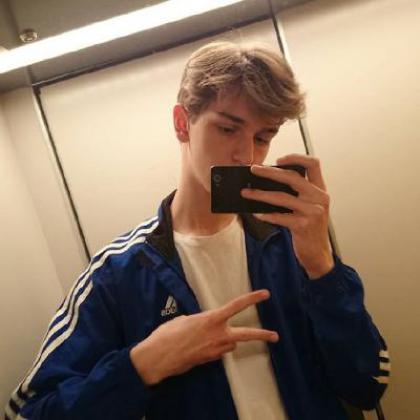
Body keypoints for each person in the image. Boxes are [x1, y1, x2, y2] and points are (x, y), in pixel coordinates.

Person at [5, 41, 390, 420]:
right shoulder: (120, 272)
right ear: (182, 123)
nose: (246, 155)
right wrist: (143, 364)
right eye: (227, 129)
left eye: (263, 137)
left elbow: (368, 384)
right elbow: (26, 414)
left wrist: (322, 268)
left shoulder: (292, 241)